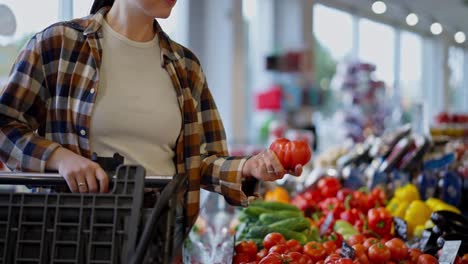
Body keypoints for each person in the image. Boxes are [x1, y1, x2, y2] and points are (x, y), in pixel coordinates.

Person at [0, 0, 302, 240]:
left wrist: (250, 167)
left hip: (158, 237)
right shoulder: (58, 45)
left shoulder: (186, 67)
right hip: (74, 236)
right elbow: (5, 125)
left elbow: (202, 162)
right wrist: (59, 158)